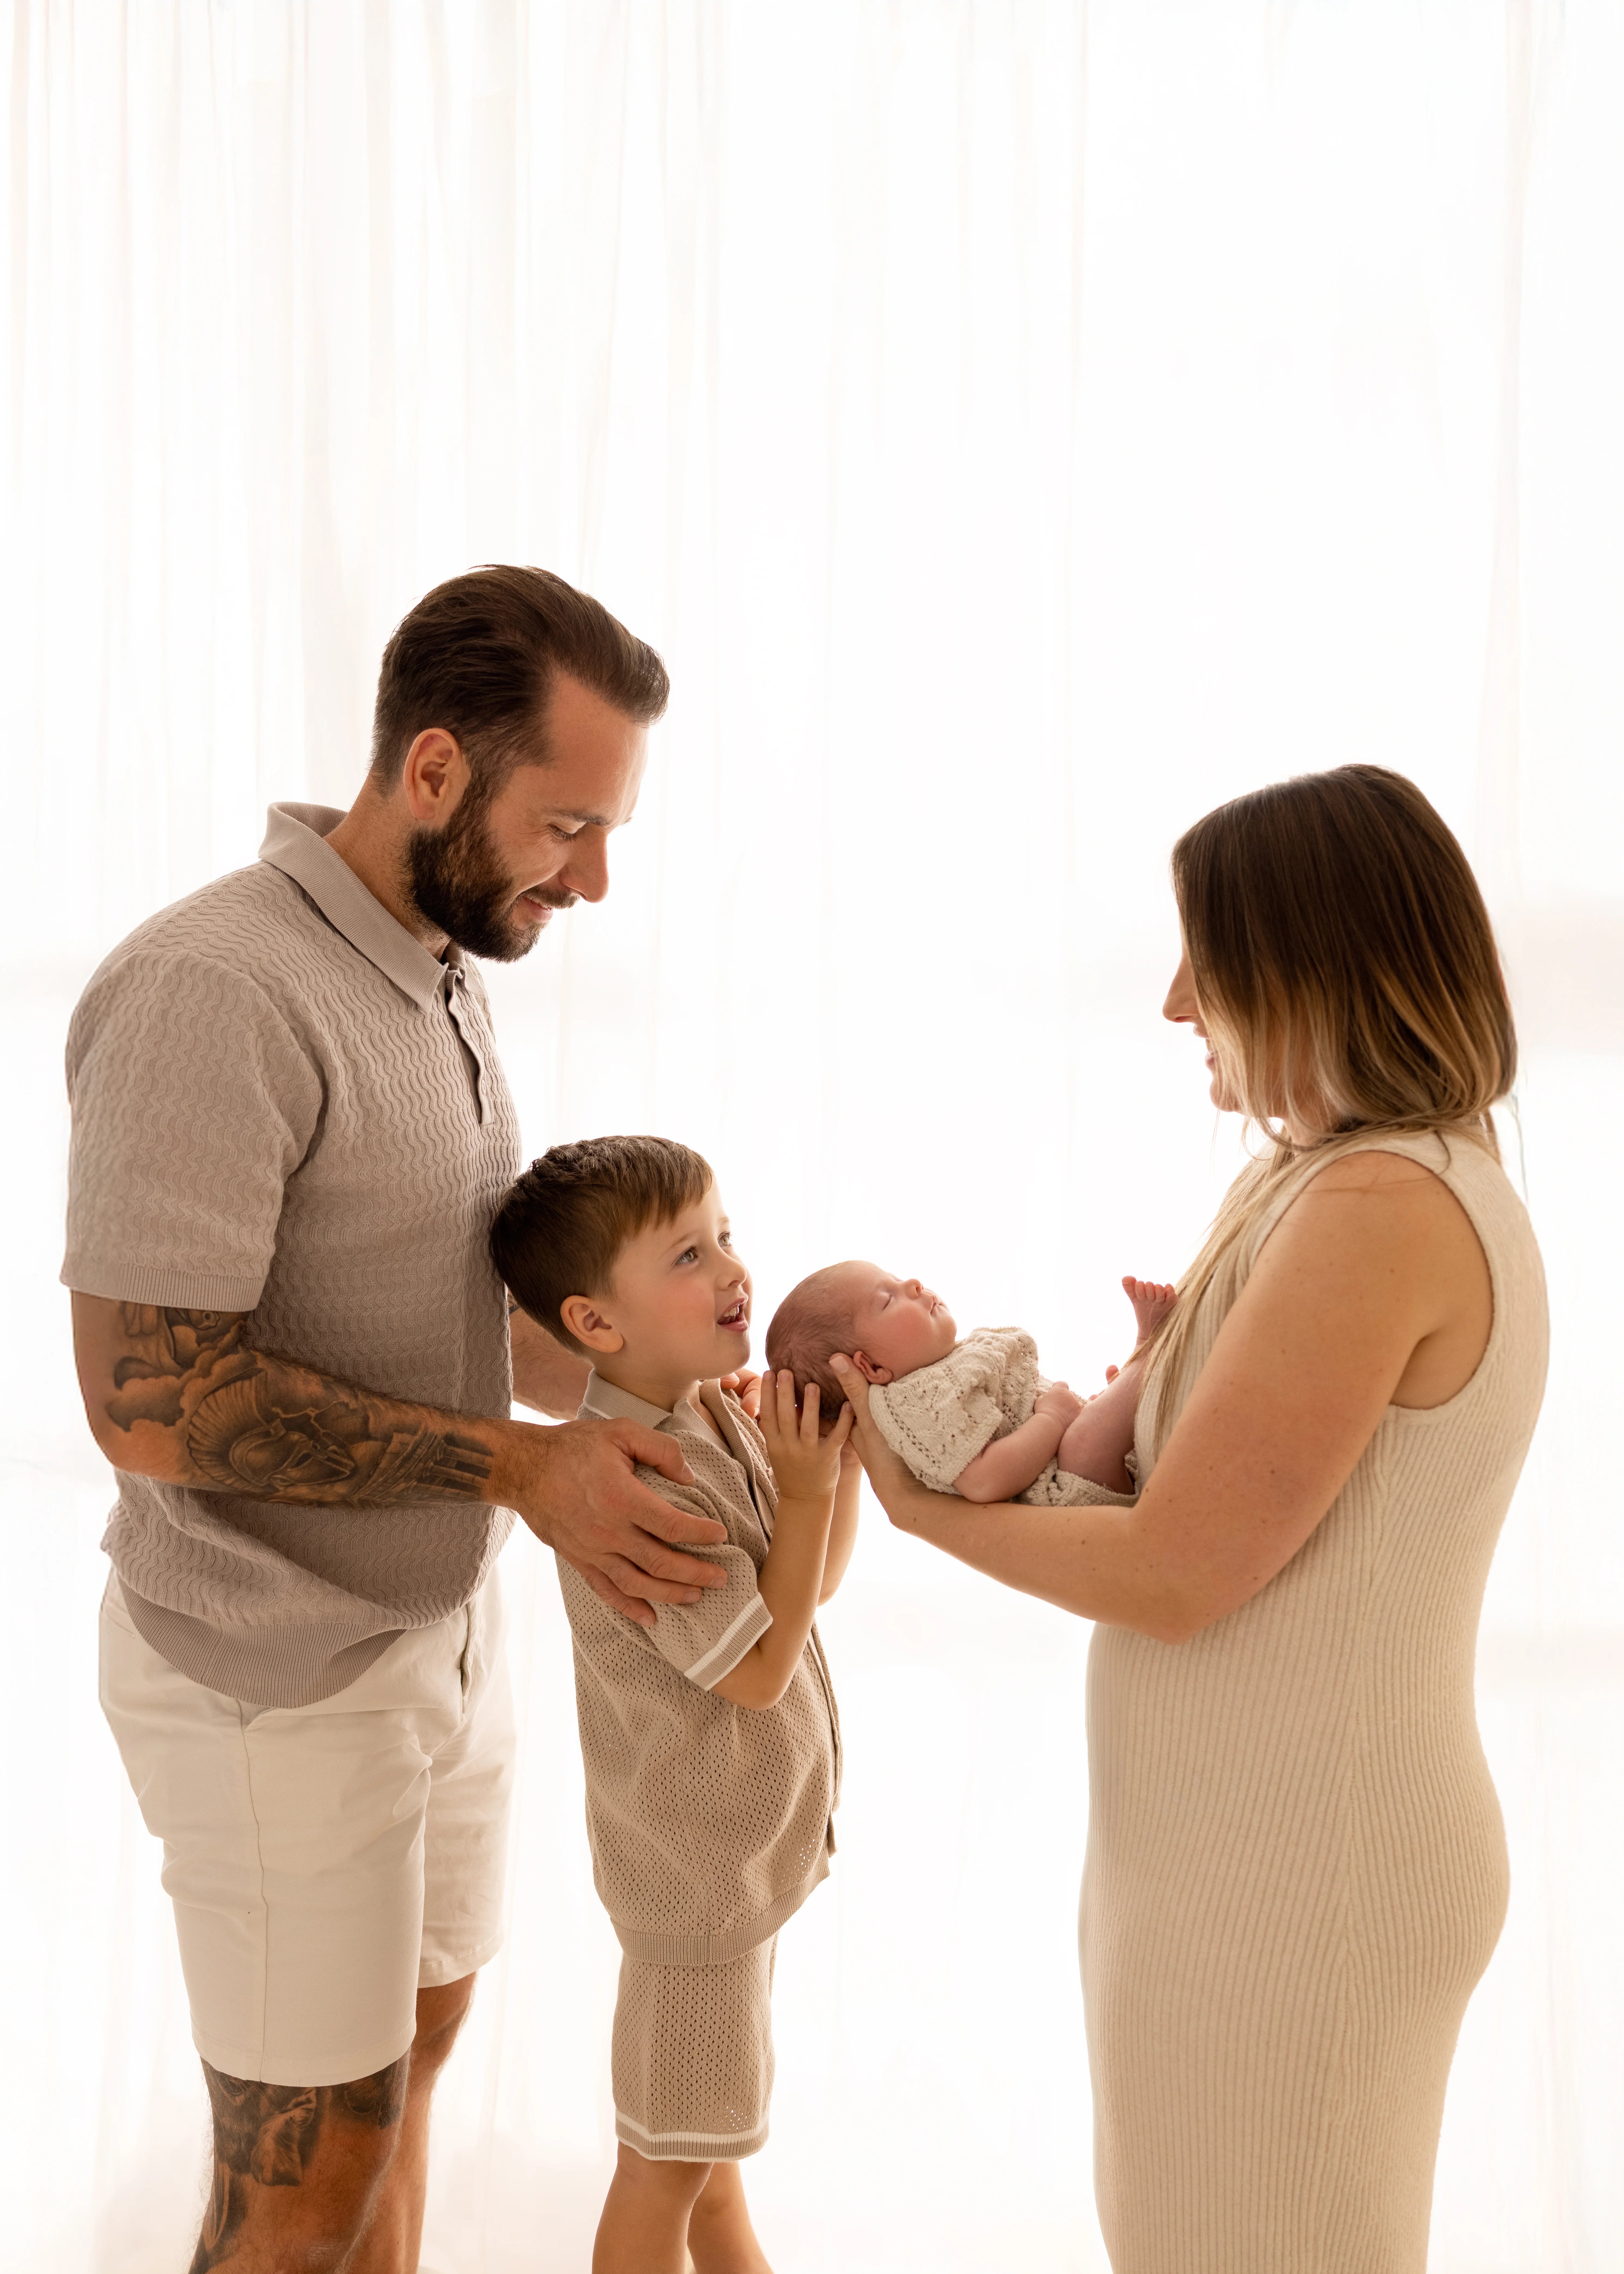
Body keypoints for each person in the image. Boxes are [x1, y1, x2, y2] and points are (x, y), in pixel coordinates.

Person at [63, 568, 748, 2274]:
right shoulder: (218, 990)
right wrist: (527, 1467)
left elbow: (428, 1303)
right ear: (433, 771)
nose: (590, 877)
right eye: (567, 824)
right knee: (305, 2179)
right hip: (274, 1667)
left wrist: (689, 1365)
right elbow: (147, 1395)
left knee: (409, 2083)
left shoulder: (438, 959)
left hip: (439, 1635)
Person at [831, 764, 1548, 2273]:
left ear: (1310, 967)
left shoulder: (1382, 1209)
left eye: (1202, 959)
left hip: (1297, 1884)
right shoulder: (1318, 1177)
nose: (1171, 1004)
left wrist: (919, 1510)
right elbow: (1165, 1486)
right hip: (1239, 1867)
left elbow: (1173, 1571)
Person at [489, 1137, 857, 2274]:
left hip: (728, 1874)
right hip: (696, 1885)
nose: (733, 1271)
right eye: (689, 1253)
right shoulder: (644, 1474)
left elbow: (809, 1587)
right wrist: (796, 1487)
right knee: (663, 2172)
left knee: (706, 2162)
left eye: (727, 1234)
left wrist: (823, 1475)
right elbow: (755, 1669)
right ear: (595, 1325)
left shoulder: (705, 1415)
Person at [765, 1263, 1175, 1499]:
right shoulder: (913, 1405)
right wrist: (1053, 1420)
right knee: (1088, 1439)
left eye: (898, 1280)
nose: (913, 1284)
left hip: (1072, 1456)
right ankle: (1149, 1354)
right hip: (1063, 1494)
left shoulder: (952, 1364)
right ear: (870, 1369)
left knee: (1106, 1422)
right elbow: (982, 1481)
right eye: (889, 1299)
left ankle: (1128, 1395)